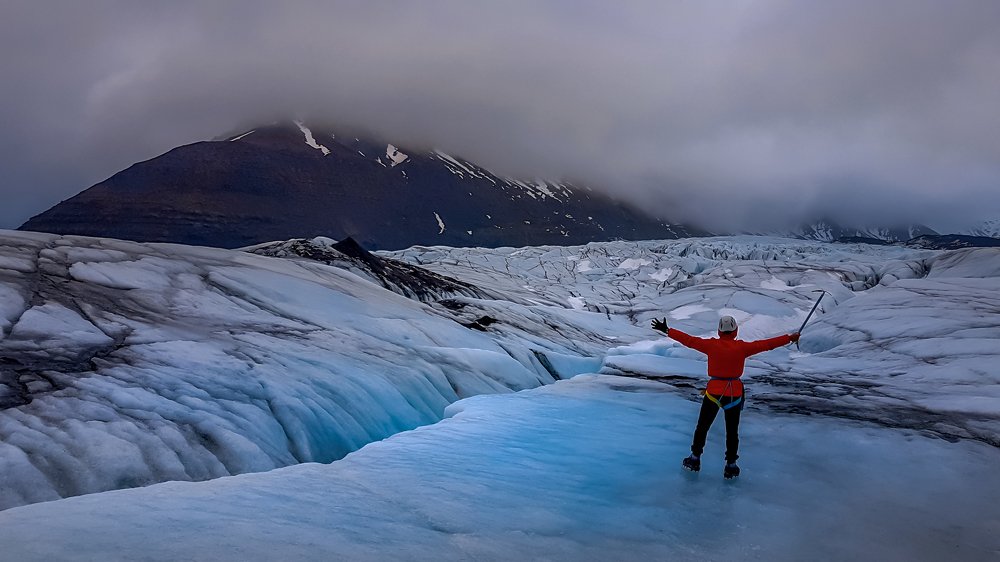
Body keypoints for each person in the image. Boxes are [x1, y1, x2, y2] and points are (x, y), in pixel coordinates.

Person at [651, 315, 799, 479]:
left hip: (714, 392)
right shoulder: (742, 348)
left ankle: (695, 459)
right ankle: (731, 465)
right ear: (735, 331)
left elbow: (689, 341)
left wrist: (666, 330)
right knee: (732, 431)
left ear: (719, 331)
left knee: (703, 427)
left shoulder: (711, 345)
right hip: (733, 394)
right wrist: (789, 338)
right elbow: (766, 345)